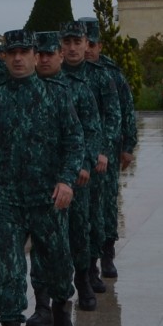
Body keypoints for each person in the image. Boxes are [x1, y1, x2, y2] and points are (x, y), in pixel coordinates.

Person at [0, 34, 83, 326]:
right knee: (9, 271)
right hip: (8, 199)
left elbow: (74, 141)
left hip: (47, 199)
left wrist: (66, 180)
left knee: (57, 261)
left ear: (36, 56)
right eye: (12, 53)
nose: (18, 59)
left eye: (24, 52)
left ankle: (62, 307)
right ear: (4, 58)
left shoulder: (57, 95)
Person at [29, 28, 95, 326]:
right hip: (35, 184)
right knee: (41, 245)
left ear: (58, 56)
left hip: (72, 180)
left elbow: (87, 131)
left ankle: (81, 283)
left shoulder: (76, 86)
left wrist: (83, 165)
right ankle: (43, 306)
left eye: (48, 53)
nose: (43, 60)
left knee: (76, 236)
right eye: (38, 54)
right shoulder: (22, 90)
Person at [61, 23, 116, 300]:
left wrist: (102, 152)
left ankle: (91, 269)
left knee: (92, 218)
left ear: (87, 44)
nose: (72, 48)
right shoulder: (51, 77)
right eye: (67, 42)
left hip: (94, 163)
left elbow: (110, 117)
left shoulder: (100, 76)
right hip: (61, 166)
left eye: (77, 42)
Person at [80, 18, 135, 281]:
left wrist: (128, 146)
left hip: (107, 152)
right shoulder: (70, 73)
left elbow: (125, 111)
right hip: (78, 154)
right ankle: (86, 260)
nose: (88, 49)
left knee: (107, 205)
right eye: (83, 43)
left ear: (99, 45)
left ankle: (108, 254)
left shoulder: (111, 74)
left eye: (92, 44)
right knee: (85, 209)